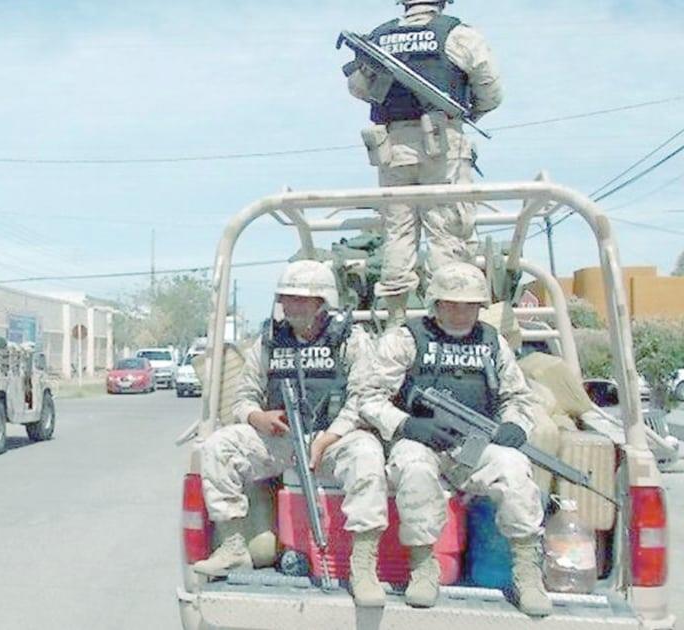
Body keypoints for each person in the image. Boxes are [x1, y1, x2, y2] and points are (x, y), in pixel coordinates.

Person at [192, 261, 390, 607]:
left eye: (301, 299)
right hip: (282, 438)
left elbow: (363, 398)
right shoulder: (269, 340)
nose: (291, 306)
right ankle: (233, 546)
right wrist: (257, 417)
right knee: (218, 446)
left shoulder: (350, 340)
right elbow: (244, 397)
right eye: (286, 299)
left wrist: (330, 438)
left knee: (368, 454)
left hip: (335, 438)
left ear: (322, 302)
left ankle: (363, 566)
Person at [357, 262, 549, 616]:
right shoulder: (406, 338)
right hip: (423, 440)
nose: (461, 313)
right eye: (452, 304)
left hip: (475, 443)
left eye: (470, 305)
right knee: (413, 467)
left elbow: (517, 398)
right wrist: (406, 425)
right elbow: (368, 397)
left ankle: (526, 571)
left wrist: (515, 425)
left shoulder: (493, 342)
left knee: (514, 466)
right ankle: (423, 567)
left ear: (480, 307)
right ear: (436, 304)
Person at [345, 0, 503, 327]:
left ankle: (395, 323)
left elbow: (358, 88)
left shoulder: (379, 38)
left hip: (393, 150)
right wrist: (468, 111)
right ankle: (447, 325)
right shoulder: (457, 34)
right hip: (442, 146)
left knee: (397, 234)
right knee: (447, 235)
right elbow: (491, 90)